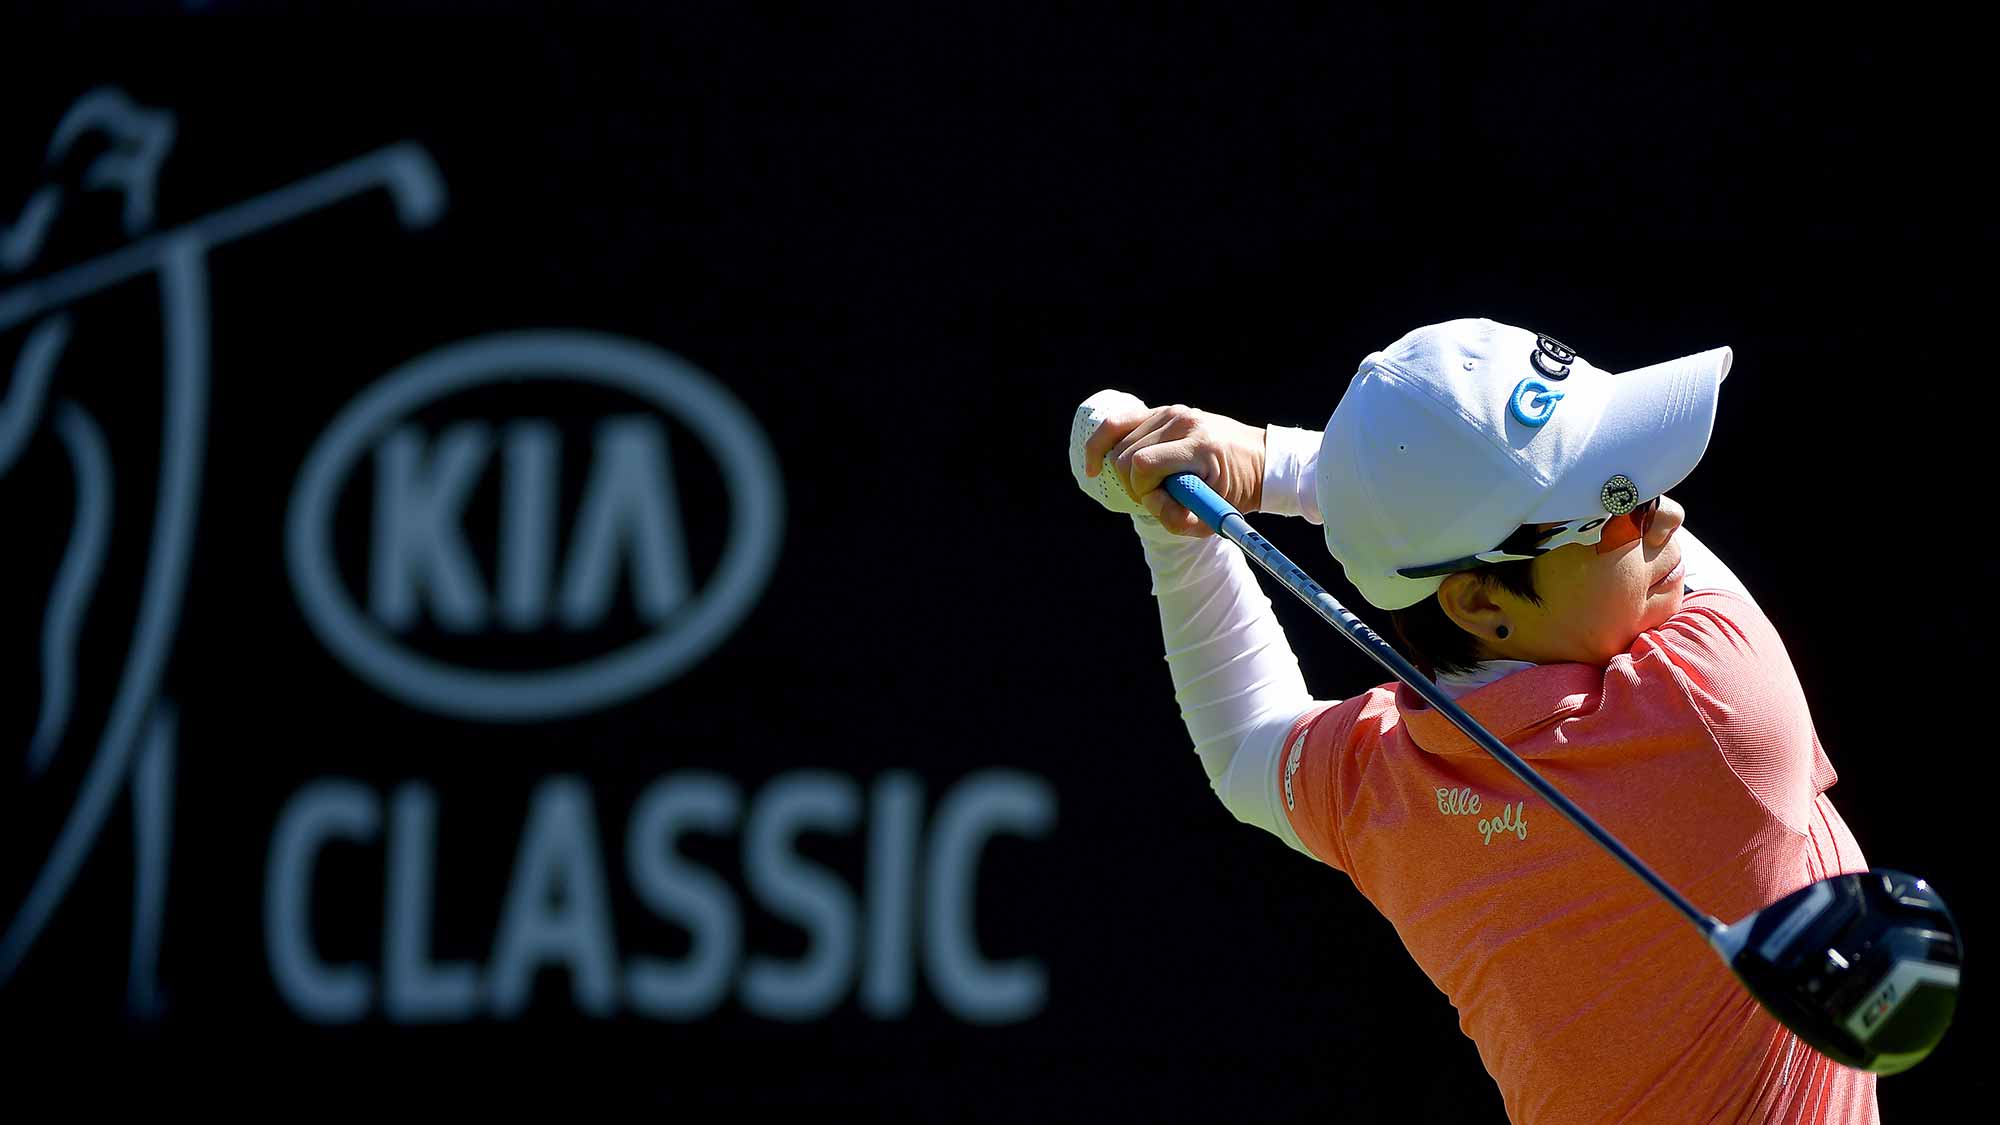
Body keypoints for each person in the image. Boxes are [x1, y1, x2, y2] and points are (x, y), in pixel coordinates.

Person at [1068, 318, 1877, 1124]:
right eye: (1621, 507)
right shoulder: (1717, 710)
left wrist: (1176, 532)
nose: (1668, 520)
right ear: (1480, 600)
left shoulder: (1389, 790)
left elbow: (1248, 748)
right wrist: (1269, 464)